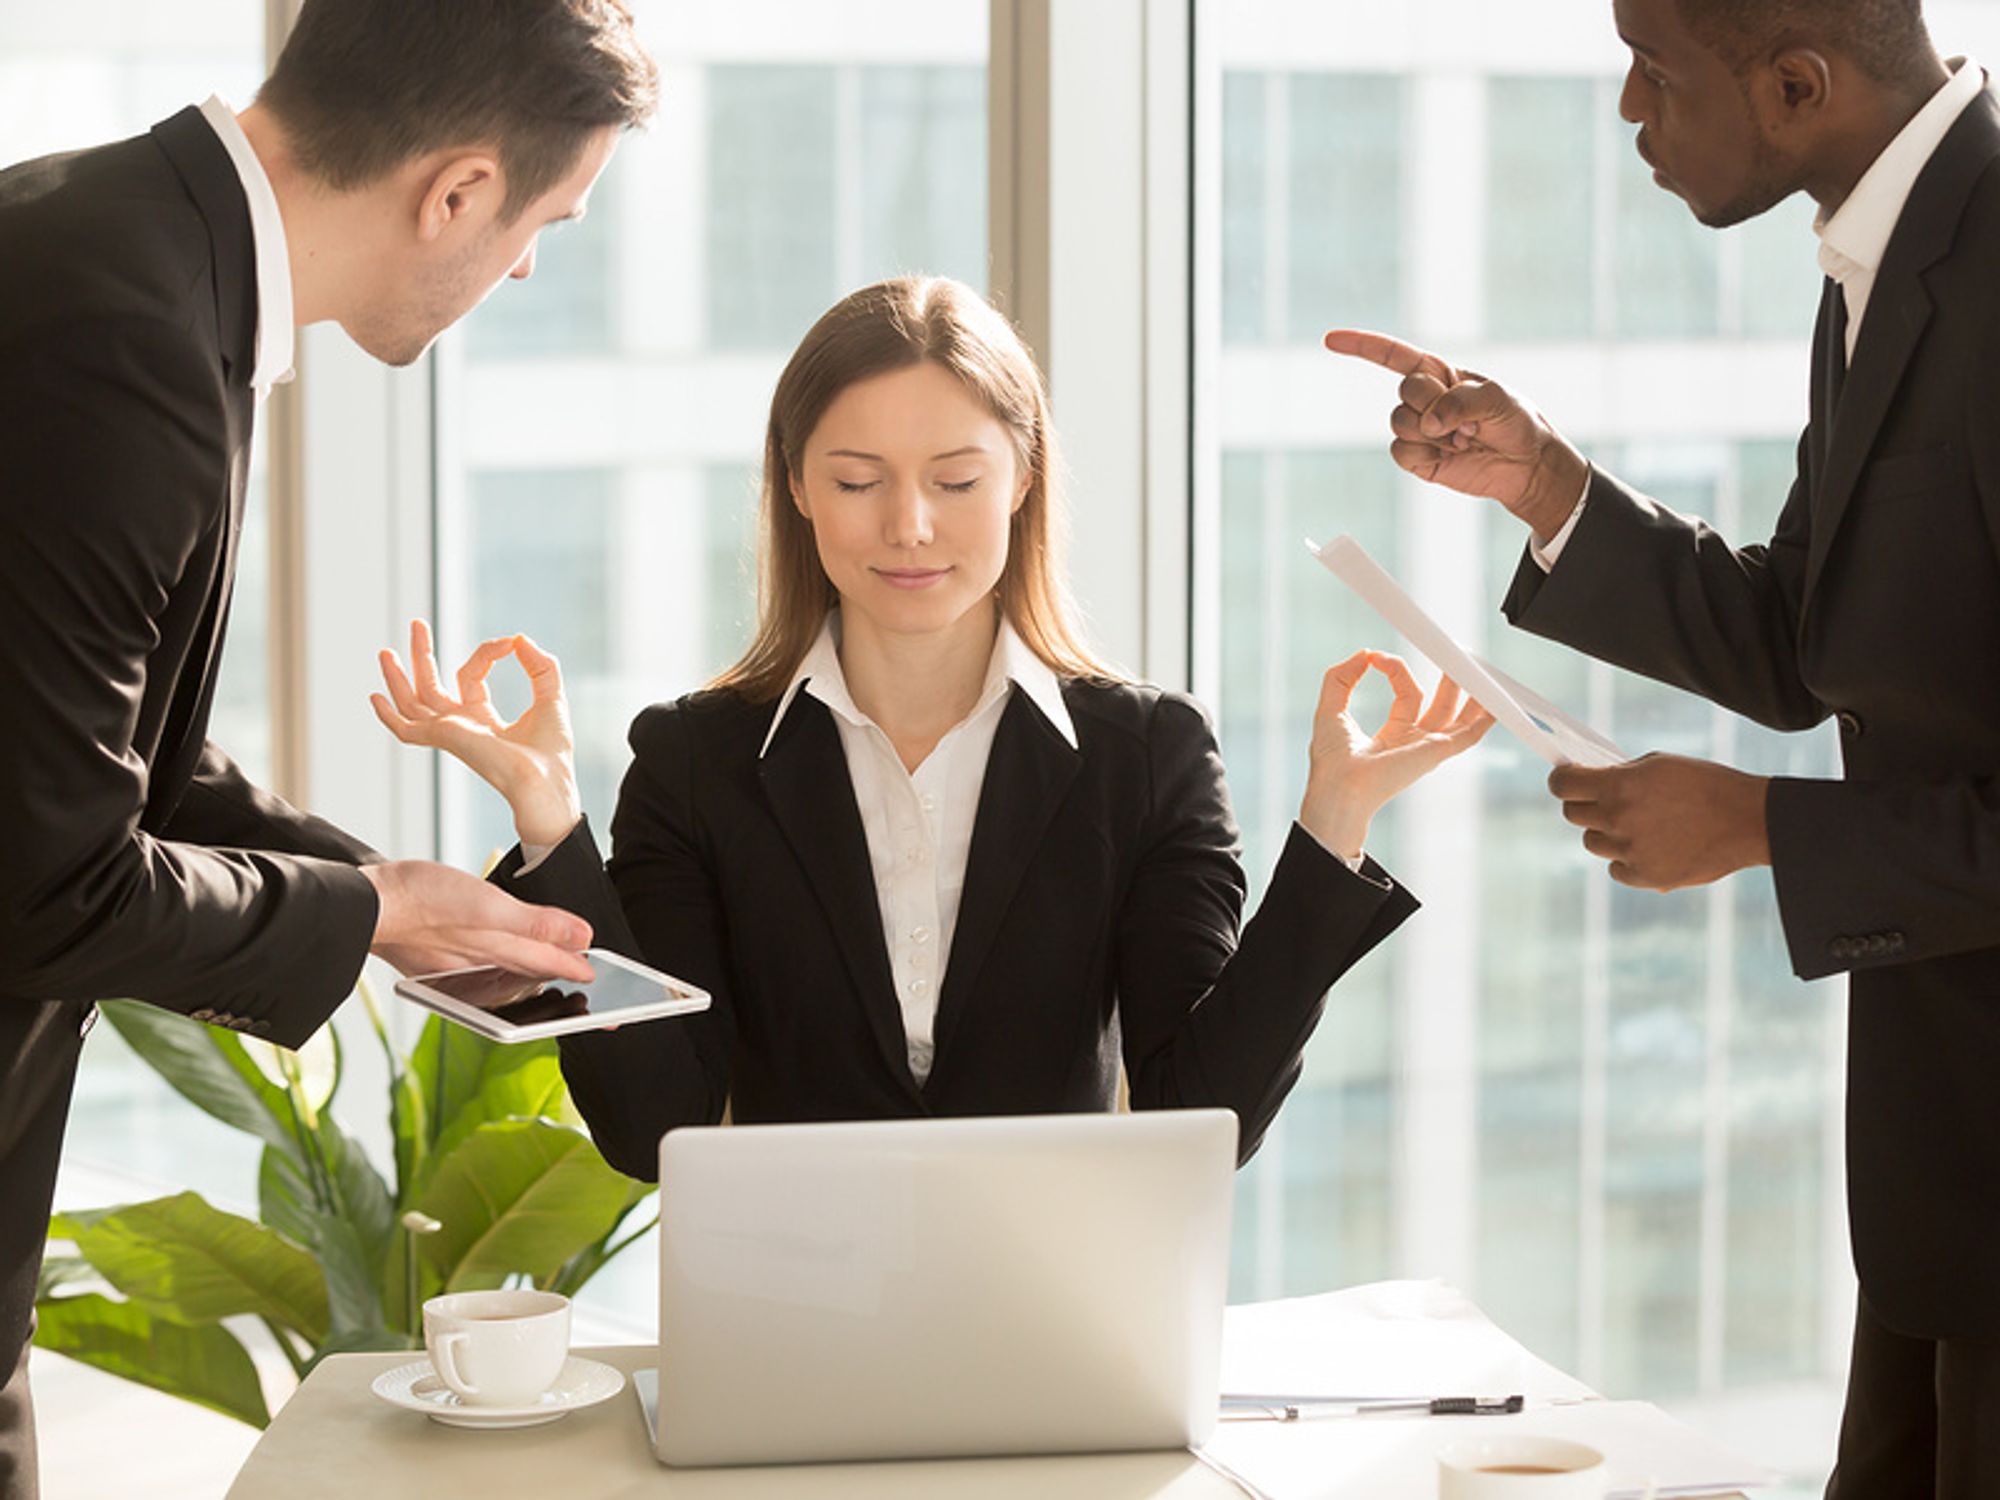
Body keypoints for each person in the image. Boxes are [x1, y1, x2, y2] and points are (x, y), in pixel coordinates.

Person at [372, 274, 1493, 1181]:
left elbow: (1200, 1116)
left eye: (955, 480)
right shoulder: (694, 760)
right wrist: (546, 816)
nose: (908, 527)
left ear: (1020, 480)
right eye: (856, 481)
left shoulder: (1143, 755)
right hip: (790, 1332)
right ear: (797, 487)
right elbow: (652, 1129)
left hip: (1059, 1326)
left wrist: (1333, 821)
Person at [1326, 1, 2000, 1494]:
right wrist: (1550, 486)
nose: (1630, 108)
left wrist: (1767, 827)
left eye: (1657, 74)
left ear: (1797, 84)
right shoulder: (1883, 261)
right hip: (1944, 1168)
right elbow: (1803, 643)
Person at [0, 3, 659, 1494]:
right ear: (459, 191)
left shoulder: (101, 235)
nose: (529, 265)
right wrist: (368, 916)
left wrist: (388, 895)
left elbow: (100, 751)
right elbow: (49, 876)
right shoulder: (130, 345)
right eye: (544, 220)